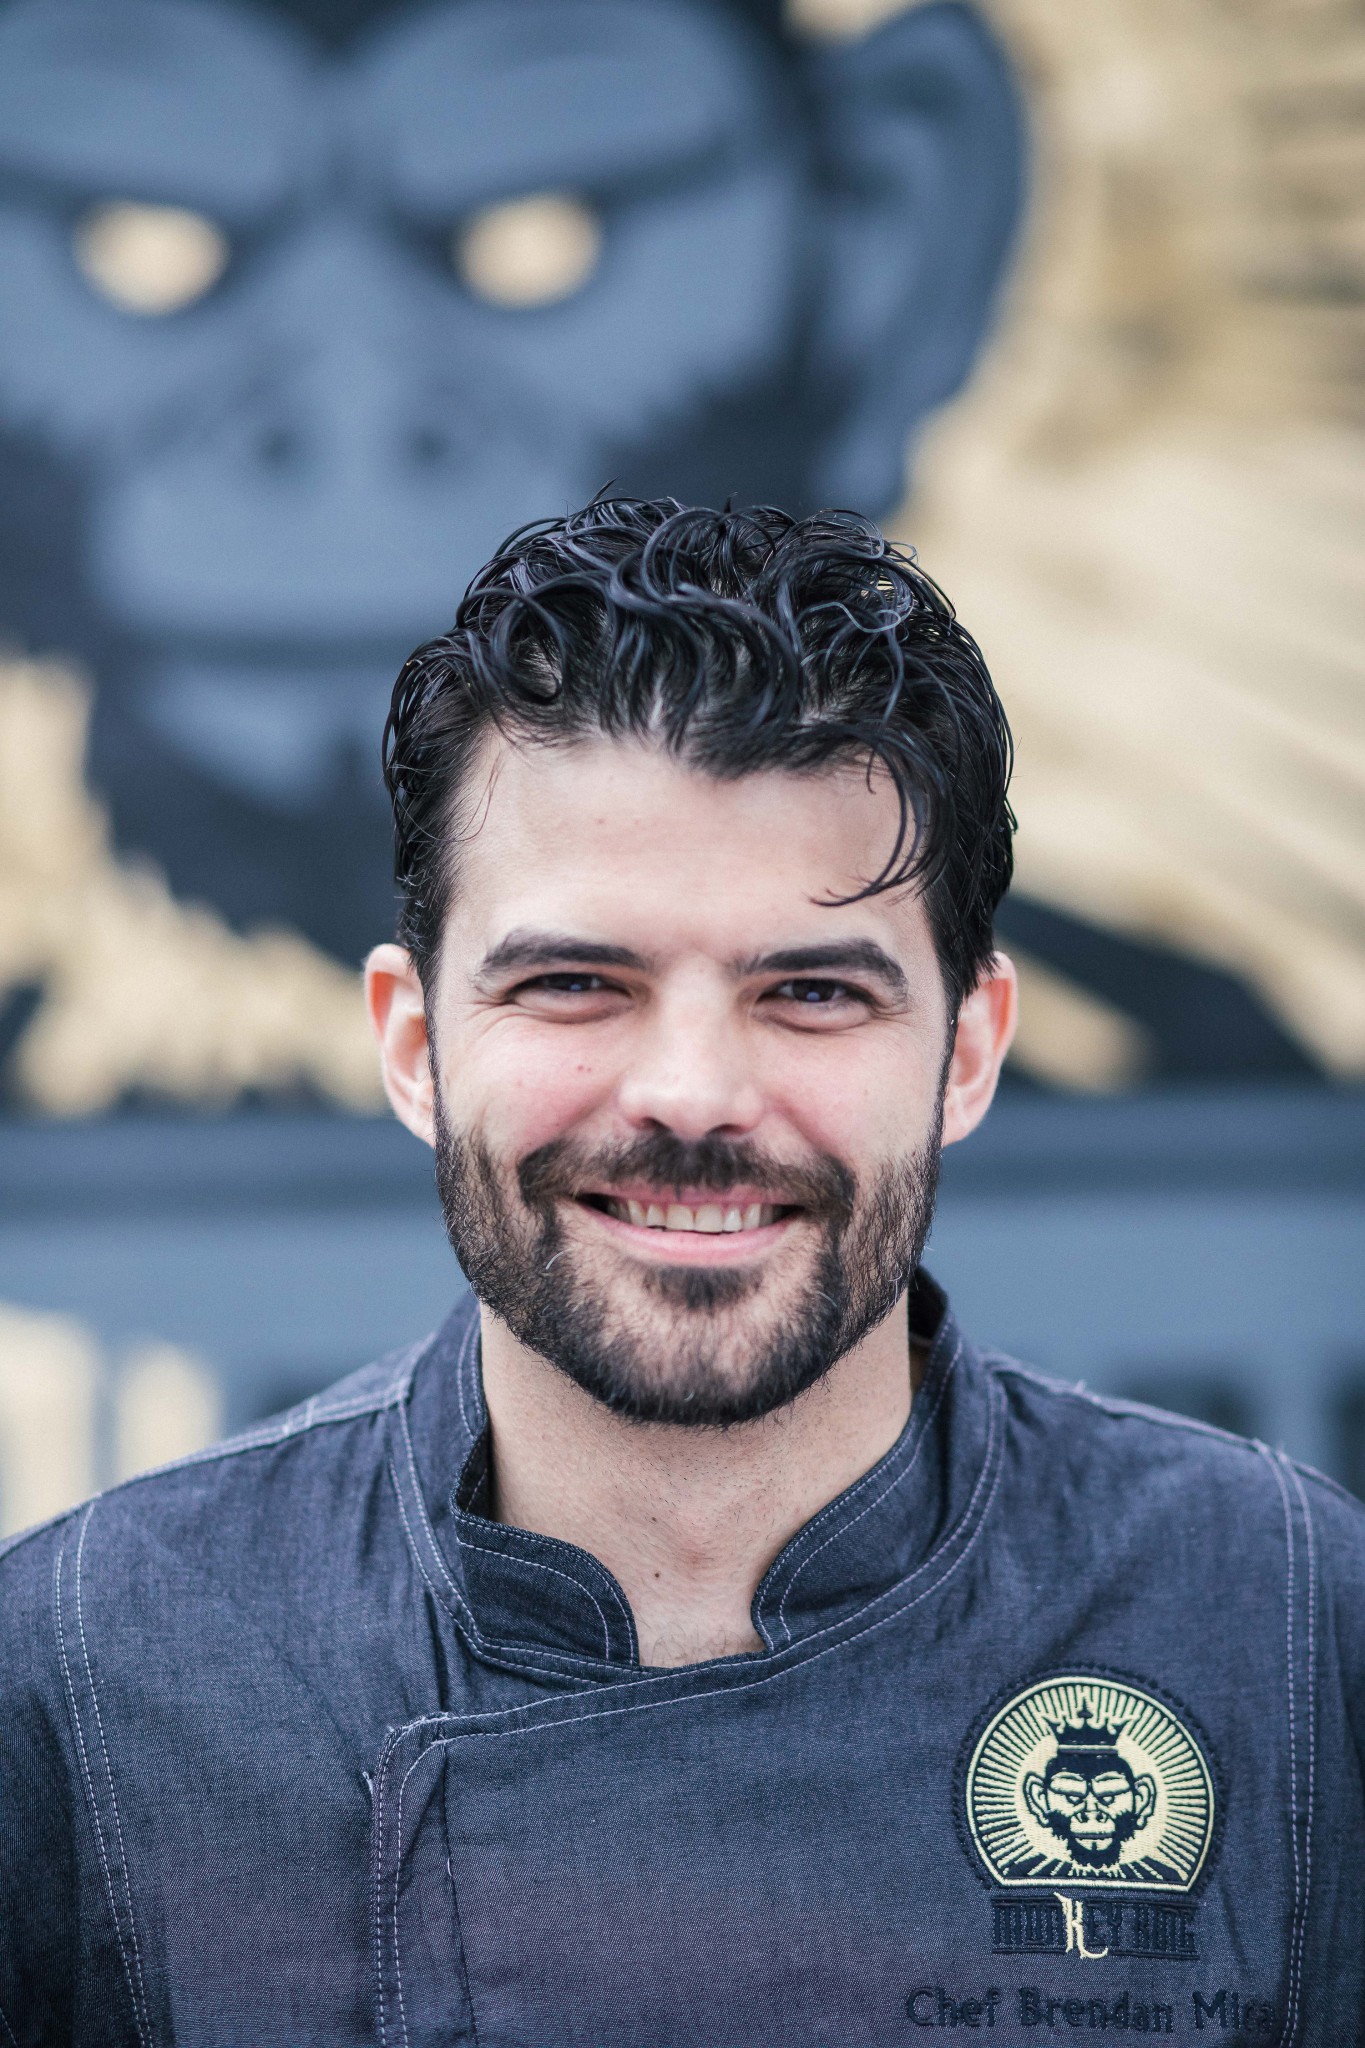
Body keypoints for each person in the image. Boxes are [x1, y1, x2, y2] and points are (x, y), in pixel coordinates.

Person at [1, 498, 1361, 2045]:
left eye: (811, 992)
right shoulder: (85, 1671)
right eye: (577, 982)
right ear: (414, 1044)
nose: (694, 1095)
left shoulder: (1283, 1615)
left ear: (970, 1051)